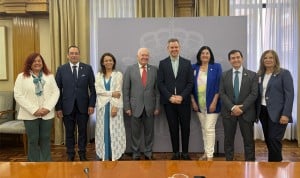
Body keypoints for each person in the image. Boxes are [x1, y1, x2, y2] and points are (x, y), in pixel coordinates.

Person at [14, 52, 59, 161]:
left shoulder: (49, 76)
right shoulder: (21, 77)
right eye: (34, 61)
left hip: (47, 114)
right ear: (29, 63)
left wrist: (47, 108)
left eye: (39, 61)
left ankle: (46, 162)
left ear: (42, 63)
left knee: (45, 139)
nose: (37, 63)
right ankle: (33, 164)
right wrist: (34, 110)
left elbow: (56, 92)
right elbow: (18, 95)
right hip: (29, 114)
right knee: (33, 140)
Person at [55, 45, 96, 161]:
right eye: (71, 53)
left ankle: (82, 153)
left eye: (76, 53)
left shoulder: (87, 68)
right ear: (67, 55)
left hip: (83, 107)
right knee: (69, 132)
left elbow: (93, 89)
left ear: (79, 55)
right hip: (67, 107)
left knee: (83, 132)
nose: (74, 55)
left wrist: (91, 105)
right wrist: (58, 108)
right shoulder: (61, 69)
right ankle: (70, 154)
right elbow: (57, 90)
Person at [157, 38, 194, 160]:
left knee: (185, 128)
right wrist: (170, 97)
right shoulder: (162, 63)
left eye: (176, 47)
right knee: (173, 128)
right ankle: (176, 153)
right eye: (172, 47)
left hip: (184, 102)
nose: (174, 49)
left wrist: (181, 96)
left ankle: (185, 153)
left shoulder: (187, 63)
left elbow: (190, 83)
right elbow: (160, 83)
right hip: (169, 103)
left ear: (179, 48)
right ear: (168, 49)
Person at [219, 49, 258, 161]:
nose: (235, 60)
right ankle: (229, 162)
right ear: (229, 60)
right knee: (228, 140)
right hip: (228, 112)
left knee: (248, 141)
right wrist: (232, 107)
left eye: (237, 57)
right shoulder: (224, 75)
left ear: (242, 58)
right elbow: (222, 93)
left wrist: (242, 108)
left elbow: (254, 94)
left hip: (246, 113)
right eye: (233, 58)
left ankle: (250, 163)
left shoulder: (252, 75)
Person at [256, 50, 294, 162]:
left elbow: (290, 95)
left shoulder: (284, 73)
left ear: (275, 59)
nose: (268, 60)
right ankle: (273, 164)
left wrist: (286, 114)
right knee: (268, 139)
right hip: (263, 111)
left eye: (270, 57)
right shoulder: (259, 75)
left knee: (274, 139)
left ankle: (275, 164)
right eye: (265, 58)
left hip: (278, 113)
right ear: (262, 60)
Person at [123, 48, 160, 160]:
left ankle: (148, 152)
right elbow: (126, 90)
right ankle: (136, 153)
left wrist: (157, 106)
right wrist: (127, 106)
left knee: (149, 132)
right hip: (134, 108)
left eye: (146, 55)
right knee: (135, 133)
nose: (145, 57)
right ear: (137, 56)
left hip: (150, 107)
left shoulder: (154, 70)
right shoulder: (130, 69)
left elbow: (157, 90)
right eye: (142, 55)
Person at [191, 46, 222, 161]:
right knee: (204, 129)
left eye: (207, 53)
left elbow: (219, 86)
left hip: (212, 105)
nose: (205, 55)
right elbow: (190, 86)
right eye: (202, 53)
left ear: (210, 55)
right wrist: (193, 101)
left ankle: (210, 156)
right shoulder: (194, 67)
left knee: (209, 128)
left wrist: (214, 102)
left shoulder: (216, 67)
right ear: (199, 55)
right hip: (199, 105)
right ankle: (206, 152)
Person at [95, 52, 126, 161]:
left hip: (114, 107)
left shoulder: (118, 75)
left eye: (110, 60)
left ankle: (115, 154)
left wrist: (115, 107)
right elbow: (98, 91)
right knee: (103, 130)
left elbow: (119, 92)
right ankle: (104, 154)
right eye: (106, 60)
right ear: (102, 63)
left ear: (113, 62)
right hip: (102, 107)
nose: (108, 62)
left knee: (114, 131)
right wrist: (111, 93)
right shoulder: (98, 75)